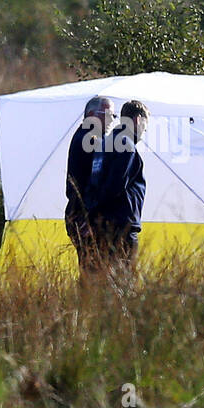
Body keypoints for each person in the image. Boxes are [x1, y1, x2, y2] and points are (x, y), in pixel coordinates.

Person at [66, 97, 147, 275]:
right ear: (93, 115)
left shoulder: (93, 138)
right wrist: (88, 218)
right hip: (87, 218)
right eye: (110, 115)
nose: (113, 120)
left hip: (87, 216)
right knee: (101, 276)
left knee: (95, 275)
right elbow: (101, 184)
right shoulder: (90, 139)